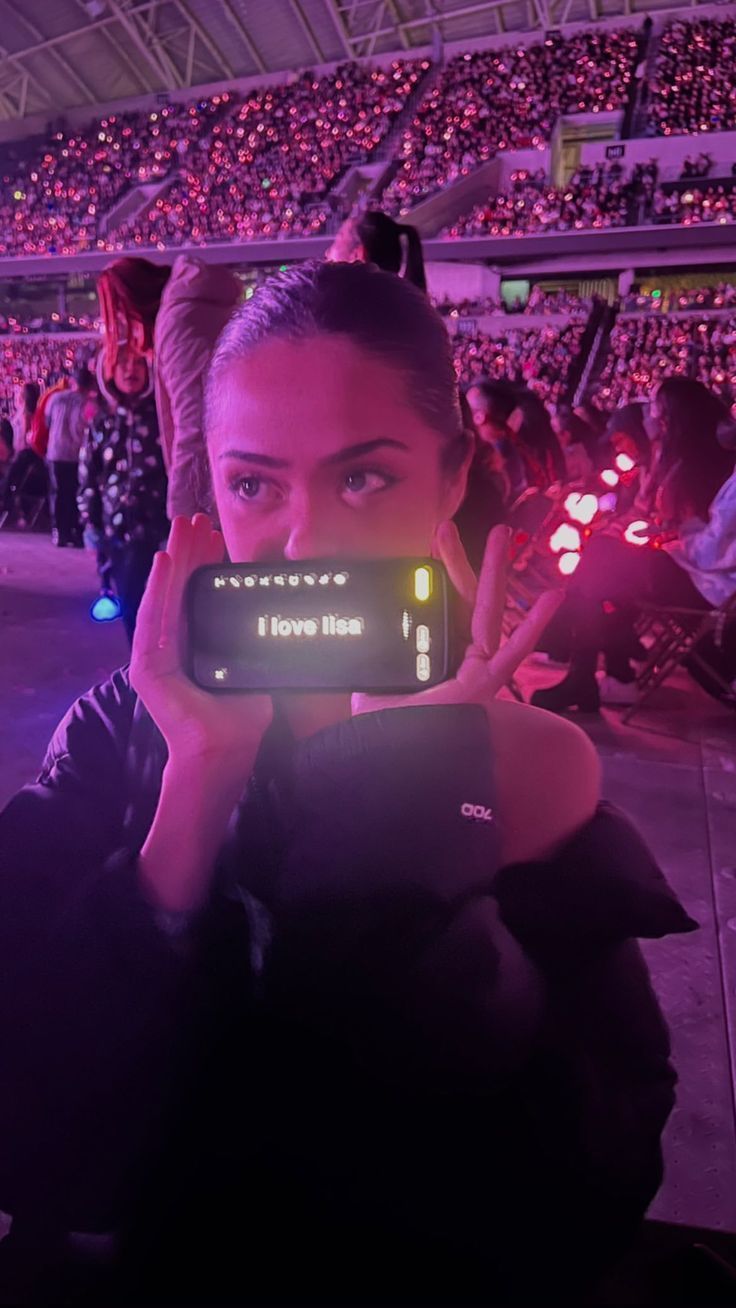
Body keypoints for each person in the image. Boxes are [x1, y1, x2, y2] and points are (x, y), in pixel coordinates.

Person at [0, 264, 695, 1308]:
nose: (304, 539)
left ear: (450, 476)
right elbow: (44, 1154)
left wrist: (407, 798)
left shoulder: (529, 768)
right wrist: (195, 785)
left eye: (361, 478)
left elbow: (579, 1192)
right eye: (254, 484)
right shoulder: (121, 734)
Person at [532, 378, 736, 712]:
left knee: (602, 558)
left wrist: (678, 537)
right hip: (698, 575)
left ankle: (583, 665)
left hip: (707, 588)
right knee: (604, 574)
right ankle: (600, 672)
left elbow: (713, 552)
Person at [77, 345, 168, 645]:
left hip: (161, 529)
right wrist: (90, 523)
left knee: (167, 609)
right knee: (131, 607)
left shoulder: (162, 419)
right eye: (123, 363)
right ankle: (139, 676)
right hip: (119, 532)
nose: (131, 370)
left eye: (138, 363)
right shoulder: (101, 422)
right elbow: (88, 475)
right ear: (110, 371)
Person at [45, 367, 95, 548]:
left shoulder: (55, 398)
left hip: (55, 451)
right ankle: (75, 532)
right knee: (75, 493)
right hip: (76, 454)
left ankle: (59, 532)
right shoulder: (88, 403)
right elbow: (89, 429)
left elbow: (47, 421)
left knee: (59, 494)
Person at [326, 207, 428, 291]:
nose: (327, 253)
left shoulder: (352, 312)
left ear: (358, 255)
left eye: (337, 240)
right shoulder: (397, 305)